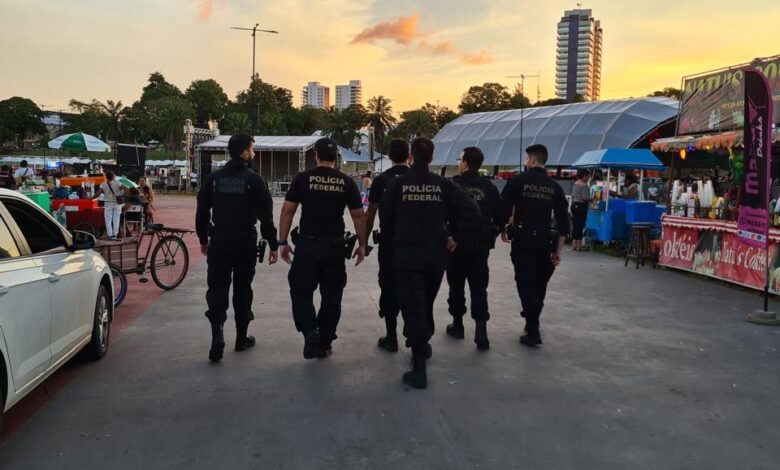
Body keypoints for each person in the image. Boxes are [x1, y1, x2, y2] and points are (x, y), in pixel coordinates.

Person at [380, 137, 480, 389]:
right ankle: (422, 344)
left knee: (413, 306)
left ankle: (419, 367)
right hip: (435, 256)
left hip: (407, 254)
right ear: (432, 158)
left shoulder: (397, 184)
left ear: (411, 156)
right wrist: (455, 237)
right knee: (425, 302)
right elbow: (472, 211)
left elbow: (385, 219)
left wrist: (393, 246)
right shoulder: (443, 184)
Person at [279, 137, 367, 360]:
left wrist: (283, 242)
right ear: (336, 157)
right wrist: (362, 245)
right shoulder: (346, 182)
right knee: (332, 296)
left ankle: (310, 331)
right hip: (334, 247)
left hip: (307, 245)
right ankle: (324, 343)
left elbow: (287, 211)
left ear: (315, 156)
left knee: (301, 290)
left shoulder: (302, 179)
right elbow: (358, 216)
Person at [196, 133, 279, 363]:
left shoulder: (213, 179)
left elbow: (202, 212)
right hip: (244, 243)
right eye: (252, 149)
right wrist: (273, 244)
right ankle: (241, 338)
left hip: (219, 241)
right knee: (243, 289)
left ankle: (217, 335)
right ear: (244, 152)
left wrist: (203, 239)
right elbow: (266, 216)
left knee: (217, 289)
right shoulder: (254, 180)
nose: (253, 153)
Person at [500, 144, 570, 347]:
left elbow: (504, 206)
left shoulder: (518, 180)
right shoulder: (554, 186)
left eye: (526, 159)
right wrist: (558, 251)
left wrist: (502, 228)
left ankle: (533, 330)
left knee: (525, 284)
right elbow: (564, 223)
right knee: (539, 284)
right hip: (546, 241)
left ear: (531, 160)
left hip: (523, 239)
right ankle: (532, 322)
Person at [445, 147, 502, 350]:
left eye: (460, 159)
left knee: (456, 286)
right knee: (479, 287)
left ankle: (458, 325)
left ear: (466, 163)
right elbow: (501, 216)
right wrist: (491, 234)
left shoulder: (453, 186)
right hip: (480, 245)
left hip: (456, 245)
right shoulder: (489, 187)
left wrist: (448, 237)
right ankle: (481, 331)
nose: (458, 163)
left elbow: (442, 213)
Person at [364, 139, 410, 352]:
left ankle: (391, 337)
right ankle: (416, 338)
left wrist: (363, 242)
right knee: (414, 290)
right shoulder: (419, 179)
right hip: (416, 244)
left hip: (390, 244)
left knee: (389, 288)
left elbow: (370, 213)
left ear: (390, 157)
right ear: (409, 156)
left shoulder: (381, 180)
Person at [96, 171, 124, 240]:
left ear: (106, 177)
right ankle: (115, 235)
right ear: (113, 176)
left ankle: (110, 235)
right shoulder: (118, 183)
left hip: (108, 204)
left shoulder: (103, 184)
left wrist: (90, 198)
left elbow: (98, 194)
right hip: (117, 204)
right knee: (116, 219)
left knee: (108, 219)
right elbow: (125, 188)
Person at [570, 169, 591, 251]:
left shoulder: (575, 183)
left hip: (574, 205)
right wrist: (592, 199)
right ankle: (579, 246)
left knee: (575, 226)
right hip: (581, 206)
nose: (588, 178)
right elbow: (585, 198)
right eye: (588, 176)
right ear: (584, 176)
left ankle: (574, 245)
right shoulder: (584, 185)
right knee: (580, 226)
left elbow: (573, 196)